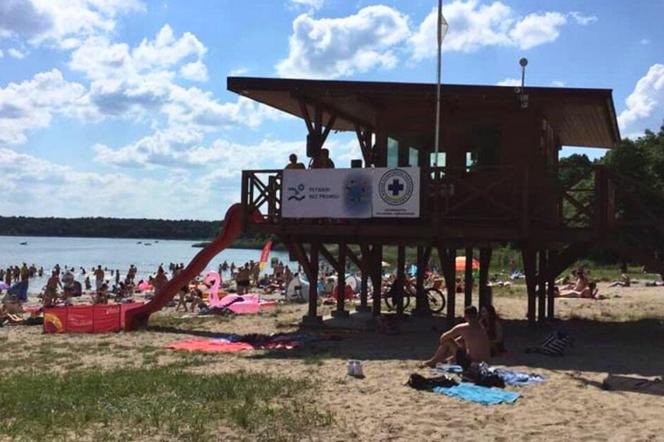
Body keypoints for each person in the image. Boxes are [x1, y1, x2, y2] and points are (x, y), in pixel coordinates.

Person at [423, 306, 491, 369]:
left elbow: (443, 338)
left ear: (465, 316)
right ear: (476, 315)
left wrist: (450, 347)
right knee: (460, 343)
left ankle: (432, 362)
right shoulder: (481, 326)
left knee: (448, 341)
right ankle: (440, 360)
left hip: (471, 364)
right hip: (485, 363)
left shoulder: (463, 327)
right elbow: (473, 339)